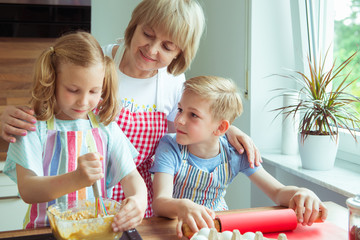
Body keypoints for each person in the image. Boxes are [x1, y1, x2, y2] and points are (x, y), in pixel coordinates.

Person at [0, 0, 261, 218]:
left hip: (142, 203)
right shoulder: (96, 64)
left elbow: (190, 126)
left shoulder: (173, 84)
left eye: (168, 46)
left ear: (179, 55)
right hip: (90, 197)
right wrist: (5, 116)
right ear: (134, 26)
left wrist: (226, 130)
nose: (152, 48)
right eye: (148, 34)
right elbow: (48, 108)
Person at [150, 76, 328, 238]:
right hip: (176, 229)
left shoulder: (235, 153)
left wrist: (301, 192)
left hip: (217, 230)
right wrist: (183, 206)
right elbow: (160, 202)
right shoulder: (169, 146)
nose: (179, 120)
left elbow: (277, 192)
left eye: (193, 115)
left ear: (220, 128)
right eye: (180, 109)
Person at [3, 31, 147, 232]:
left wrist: (139, 200)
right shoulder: (33, 127)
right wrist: (76, 179)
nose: (84, 101)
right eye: (73, 90)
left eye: (94, 91)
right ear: (52, 81)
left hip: (95, 231)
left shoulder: (107, 128)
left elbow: (132, 177)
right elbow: (28, 189)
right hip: (44, 231)